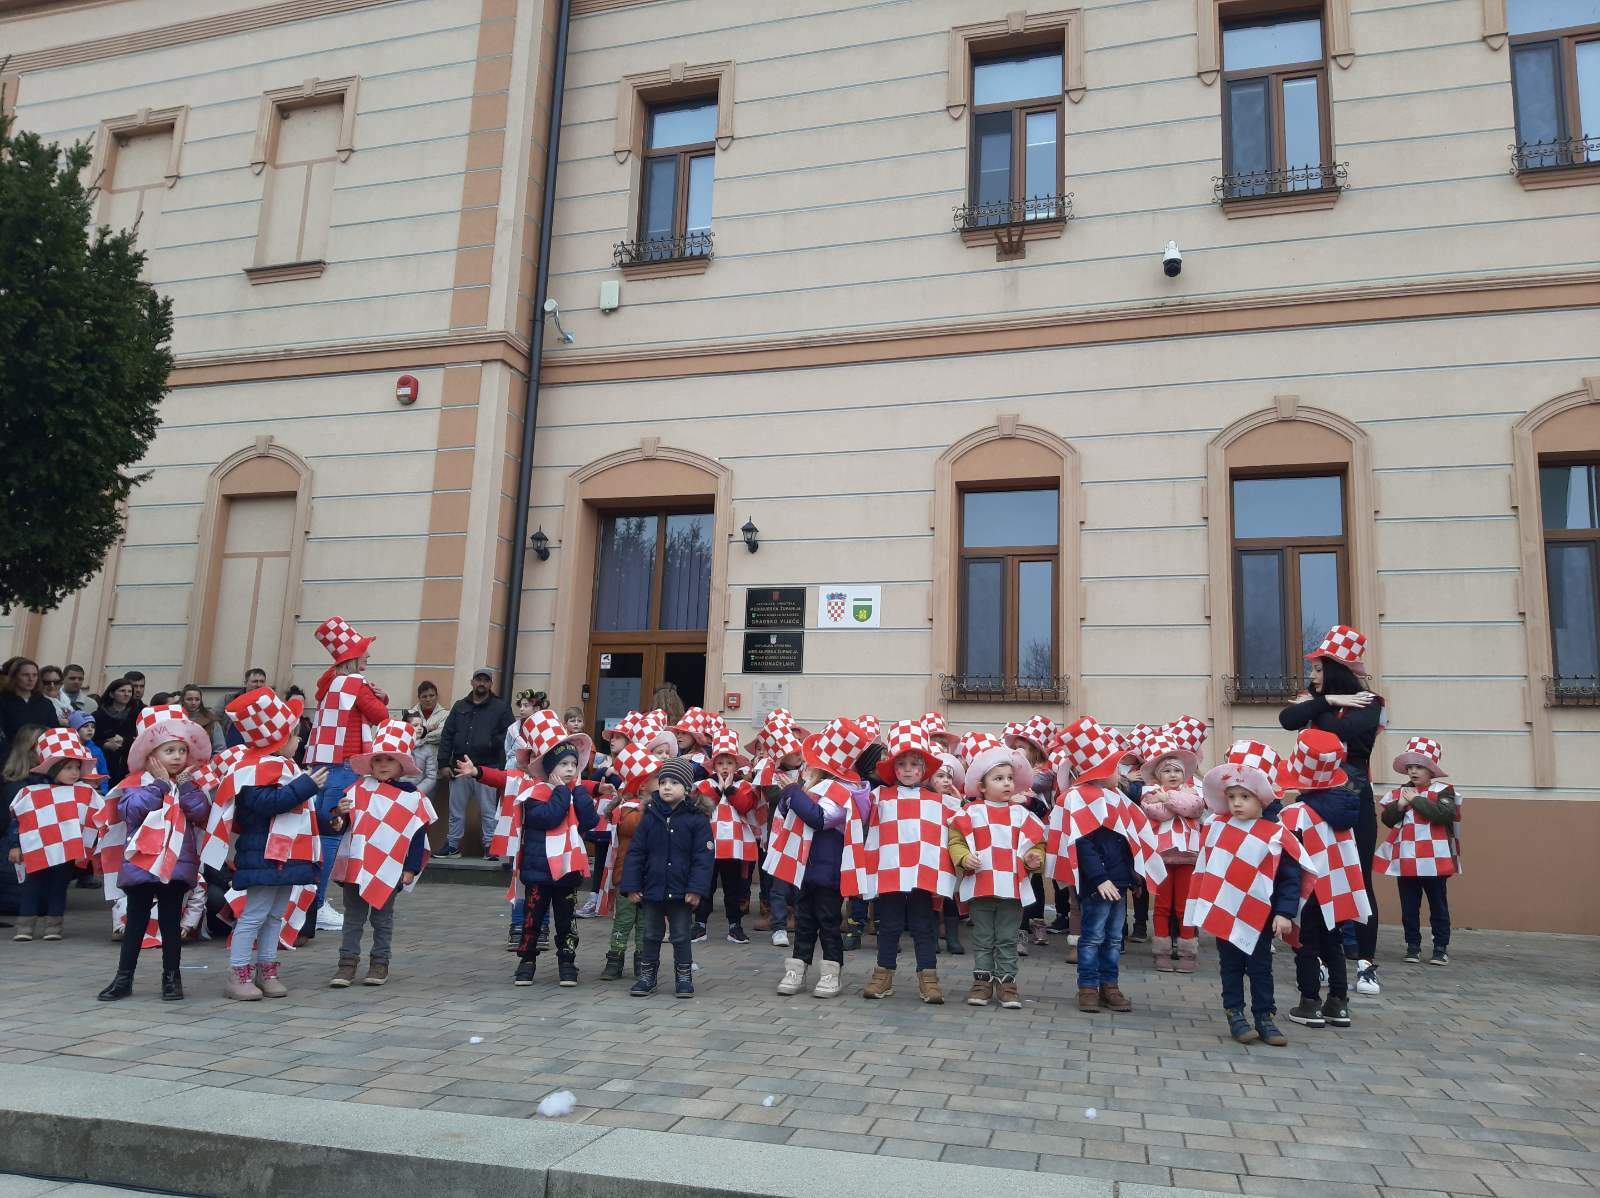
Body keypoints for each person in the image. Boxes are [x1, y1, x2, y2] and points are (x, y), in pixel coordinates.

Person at [457, 709, 597, 987]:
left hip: (567, 870)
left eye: (574, 764)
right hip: (538, 870)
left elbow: (590, 820)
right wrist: (477, 772)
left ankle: (567, 962)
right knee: (532, 919)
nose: (570, 769)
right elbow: (548, 817)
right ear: (549, 768)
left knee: (567, 921)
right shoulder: (534, 793)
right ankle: (527, 961)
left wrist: (581, 790)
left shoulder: (575, 790)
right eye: (564, 764)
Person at [1280, 625, 1385, 996]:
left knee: (1358, 878)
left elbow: (1336, 736)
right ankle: (1322, 958)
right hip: (1314, 801)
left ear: (1336, 670)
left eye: (1318, 669)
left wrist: (1321, 705)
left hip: (1353, 799)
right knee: (1314, 876)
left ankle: (1366, 964)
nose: (1312, 676)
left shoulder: (1371, 703)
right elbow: (1287, 720)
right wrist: (1328, 701)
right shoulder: (1321, 700)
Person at [1188, 742, 1311, 1047]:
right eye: (1231, 797)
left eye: (1245, 797)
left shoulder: (1276, 834)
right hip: (1226, 911)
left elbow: (1289, 878)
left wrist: (1284, 913)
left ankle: (1265, 1017)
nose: (1237, 803)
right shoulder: (1217, 828)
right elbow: (1208, 869)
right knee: (1230, 967)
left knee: (1260, 968)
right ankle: (1235, 1014)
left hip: (1260, 916)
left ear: (1262, 799)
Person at [1049, 717, 1167, 1014]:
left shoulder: (1117, 798)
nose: (1120, 773)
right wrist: (1100, 878)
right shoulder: (1079, 799)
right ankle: (1088, 987)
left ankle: (1109, 986)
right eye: (1115, 768)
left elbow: (1130, 841)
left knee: (1114, 938)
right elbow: (1082, 844)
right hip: (1096, 885)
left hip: (1120, 882)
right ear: (1101, 771)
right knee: (1092, 937)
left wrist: (1135, 877)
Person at [217, 688, 326, 1001]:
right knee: (254, 914)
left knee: (276, 914)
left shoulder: (284, 768)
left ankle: (267, 969)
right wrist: (306, 786)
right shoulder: (251, 770)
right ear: (278, 739)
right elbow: (268, 803)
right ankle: (238, 972)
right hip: (264, 855)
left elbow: (300, 812)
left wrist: (330, 817)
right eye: (294, 734)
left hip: (285, 855)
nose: (299, 740)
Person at [96, 713, 213, 1002]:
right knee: (135, 922)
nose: (177, 756)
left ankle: (172, 979)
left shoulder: (189, 783)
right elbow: (131, 811)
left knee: (171, 923)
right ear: (151, 755)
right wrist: (159, 785)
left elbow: (200, 812)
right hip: (142, 863)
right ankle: (123, 979)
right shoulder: (136, 782)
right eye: (169, 750)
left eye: (182, 750)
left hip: (176, 865)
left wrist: (185, 786)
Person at [768, 717, 871, 1001]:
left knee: (827, 922)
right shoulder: (821, 787)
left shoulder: (844, 790)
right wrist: (794, 793)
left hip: (829, 871)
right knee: (803, 921)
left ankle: (830, 972)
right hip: (805, 867)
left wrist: (792, 791)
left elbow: (818, 818)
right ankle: (797, 969)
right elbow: (794, 813)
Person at [854, 720, 956, 1004]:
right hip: (890, 872)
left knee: (924, 925)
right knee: (889, 924)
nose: (908, 769)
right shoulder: (879, 795)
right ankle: (883, 974)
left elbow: (965, 822)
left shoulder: (937, 800)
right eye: (901, 764)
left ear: (924, 769)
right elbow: (858, 811)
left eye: (914, 764)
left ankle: (929, 978)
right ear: (893, 768)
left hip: (922, 874)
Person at [303, 617, 391, 938]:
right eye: (364, 650)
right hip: (345, 766)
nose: (368, 655)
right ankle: (317, 905)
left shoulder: (330, 680)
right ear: (353, 655)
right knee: (332, 834)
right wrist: (382, 697)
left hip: (321, 765)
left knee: (318, 833)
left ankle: (307, 904)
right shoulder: (355, 682)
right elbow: (380, 716)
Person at [332, 719, 433, 988]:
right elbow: (342, 823)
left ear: (401, 765)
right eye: (378, 759)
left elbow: (417, 834)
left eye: (390, 759)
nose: (383, 764)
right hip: (358, 866)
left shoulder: (412, 797)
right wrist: (338, 815)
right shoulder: (357, 790)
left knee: (382, 918)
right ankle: (347, 963)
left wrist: (410, 868)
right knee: (353, 917)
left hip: (389, 868)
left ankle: (380, 962)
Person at [1279, 729, 1368, 1030]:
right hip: (1337, 888)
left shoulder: (1296, 813)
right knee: (1334, 943)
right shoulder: (1345, 809)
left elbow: (1288, 858)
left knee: (1306, 946)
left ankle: (1310, 1003)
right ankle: (1339, 1004)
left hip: (1307, 890)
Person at [948, 741, 1044, 1009]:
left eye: (1010, 778)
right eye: (998, 778)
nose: (1007, 783)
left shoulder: (1022, 814)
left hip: (1012, 889)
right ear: (982, 786)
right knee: (983, 938)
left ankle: (1007, 984)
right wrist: (963, 857)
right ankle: (982, 982)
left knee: (1007, 939)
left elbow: (1037, 844)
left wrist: (1033, 858)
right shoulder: (970, 812)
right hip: (980, 887)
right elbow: (955, 840)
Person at [621, 756, 713, 998]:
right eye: (663, 783)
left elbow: (703, 858)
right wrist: (632, 886)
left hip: (682, 891)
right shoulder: (650, 816)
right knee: (651, 934)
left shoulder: (697, 818)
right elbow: (636, 853)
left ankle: (683, 977)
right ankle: (647, 977)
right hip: (652, 888)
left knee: (681, 935)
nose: (667, 787)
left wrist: (696, 889)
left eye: (674, 783)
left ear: (687, 788)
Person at [1378, 736, 1460, 967]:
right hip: (1406, 858)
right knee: (1409, 906)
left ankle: (1440, 947)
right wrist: (1400, 805)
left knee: (1438, 905)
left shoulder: (1443, 790)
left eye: (1419, 767)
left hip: (1435, 859)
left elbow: (1444, 815)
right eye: (1410, 767)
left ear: (1431, 770)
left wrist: (1415, 800)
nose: (1413, 771)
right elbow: (1387, 819)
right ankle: (1412, 946)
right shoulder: (1400, 792)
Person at [8, 728, 96, 941]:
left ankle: (54, 926)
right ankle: (25, 926)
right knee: (31, 886)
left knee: (59, 887)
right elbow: (19, 820)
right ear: (54, 769)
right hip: (36, 847)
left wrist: (87, 849)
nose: (74, 772)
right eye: (68, 767)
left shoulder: (83, 793)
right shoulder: (31, 792)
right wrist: (15, 845)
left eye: (77, 767)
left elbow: (93, 819)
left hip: (65, 851)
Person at [1139, 729, 1206, 973]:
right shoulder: (1148, 792)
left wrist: (1167, 798)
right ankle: (1162, 951)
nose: (1173, 775)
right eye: (1167, 771)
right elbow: (1158, 813)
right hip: (1162, 856)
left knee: (1185, 906)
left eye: (1177, 770)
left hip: (1188, 857)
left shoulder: (1193, 791)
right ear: (1158, 775)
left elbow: (1194, 808)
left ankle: (1188, 951)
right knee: (1163, 905)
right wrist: (1175, 800)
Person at [599, 737, 665, 981]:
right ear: (643, 786)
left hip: (652, 876)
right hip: (627, 876)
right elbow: (632, 827)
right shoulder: (629, 809)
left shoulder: (658, 808)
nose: (663, 783)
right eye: (657, 779)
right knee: (624, 919)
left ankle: (642, 960)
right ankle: (614, 959)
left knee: (646, 922)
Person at [437, 667, 515, 858]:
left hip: (487, 767)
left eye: (485, 680)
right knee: (455, 811)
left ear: (491, 684)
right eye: (478, 680)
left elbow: (511, 733)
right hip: (459, 766)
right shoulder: (459, 706)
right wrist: (443, 763)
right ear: (472, 682)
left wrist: (490, 742)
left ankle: (490, 845)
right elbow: (447, 735)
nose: (481, 683)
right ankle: (452, 845)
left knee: (488, 811)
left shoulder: (501, 707)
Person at [747, 708, 808, 946]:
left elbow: (808, 795)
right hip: (778, 834)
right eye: (794, 753)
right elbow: (774, 796)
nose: (799, 755)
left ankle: (800, 921)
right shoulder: (770, 771)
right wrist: (796, 789)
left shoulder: (806, 772)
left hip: (801, 834)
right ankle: (779, 926)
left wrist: (796, 787)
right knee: (778, 883)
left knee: (800, 883)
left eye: (800, 751)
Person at [697, 726, 762, 946]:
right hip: (708, 844)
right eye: (720, 763)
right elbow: (703, 805)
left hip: (734, 848)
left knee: (733, 888)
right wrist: (719, 789)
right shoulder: (705, 784)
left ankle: (735, 926)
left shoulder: (744, 786)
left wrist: (730, 790)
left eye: (729, 763)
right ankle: (700, 924)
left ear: (736, 765)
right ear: (713, 766)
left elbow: (745, 805)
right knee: (705, 885)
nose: (725, 768)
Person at [927, 749, 967, 955]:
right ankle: (932, 938)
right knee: (931, 898)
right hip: (931, 855)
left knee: (951, 897)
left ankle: (953, 938)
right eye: (940, 776)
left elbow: (966, 824)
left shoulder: (957, 802)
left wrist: (960, 802)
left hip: (950, 856)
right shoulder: (925, 801)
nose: (945, 781)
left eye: (949, 777)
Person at [1, 659, 61, 742]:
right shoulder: (3, 701)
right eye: (25, 675)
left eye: (34, 675)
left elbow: (54, 731)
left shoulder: (45, 703)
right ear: (14, 676)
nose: (31, 679)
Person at [92, 678, 138, 785]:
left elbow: (141, 738)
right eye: (122, 691)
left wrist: (125, 741)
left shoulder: (136, 715)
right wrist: (105, 744)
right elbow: (90, 738)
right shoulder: (98, 715)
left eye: (129, 691)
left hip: (127, 765)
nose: (126, 694)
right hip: (103, 762)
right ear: (112, 694)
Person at [69, 711, 110, 793]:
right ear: (74, 729)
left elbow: (103, 772)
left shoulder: (97, 751)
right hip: (72, 791)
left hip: (94, 791)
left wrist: (104, 791)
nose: (90, 729)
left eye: (93, 726)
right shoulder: (68, 748)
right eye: (85, 726)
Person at [180, 684, 227, 754]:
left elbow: (220, 749)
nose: (193, 703)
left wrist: (210, 760)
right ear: (182, 700)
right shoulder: (174, 719)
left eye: (197, 699)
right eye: (189, 699)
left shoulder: (211, 721)